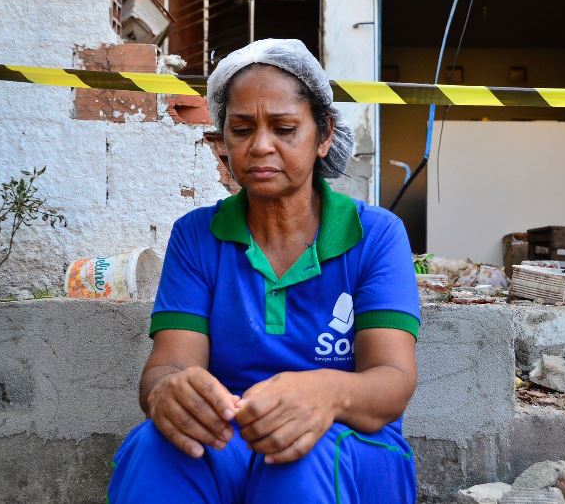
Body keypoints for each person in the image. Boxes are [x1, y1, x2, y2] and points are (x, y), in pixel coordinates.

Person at [107, 38, 421, 503]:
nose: (260, 146)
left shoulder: (375, 235)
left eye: (284, 128)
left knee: (301, 457)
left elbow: (393, 380)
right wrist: (166, 393)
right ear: (223, 141)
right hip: (228, 438)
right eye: (240, 130)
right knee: (156, 448)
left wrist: (325, 393)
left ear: (325, 134)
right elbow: (169, 364)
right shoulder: (198, 236)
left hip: (348, 444)